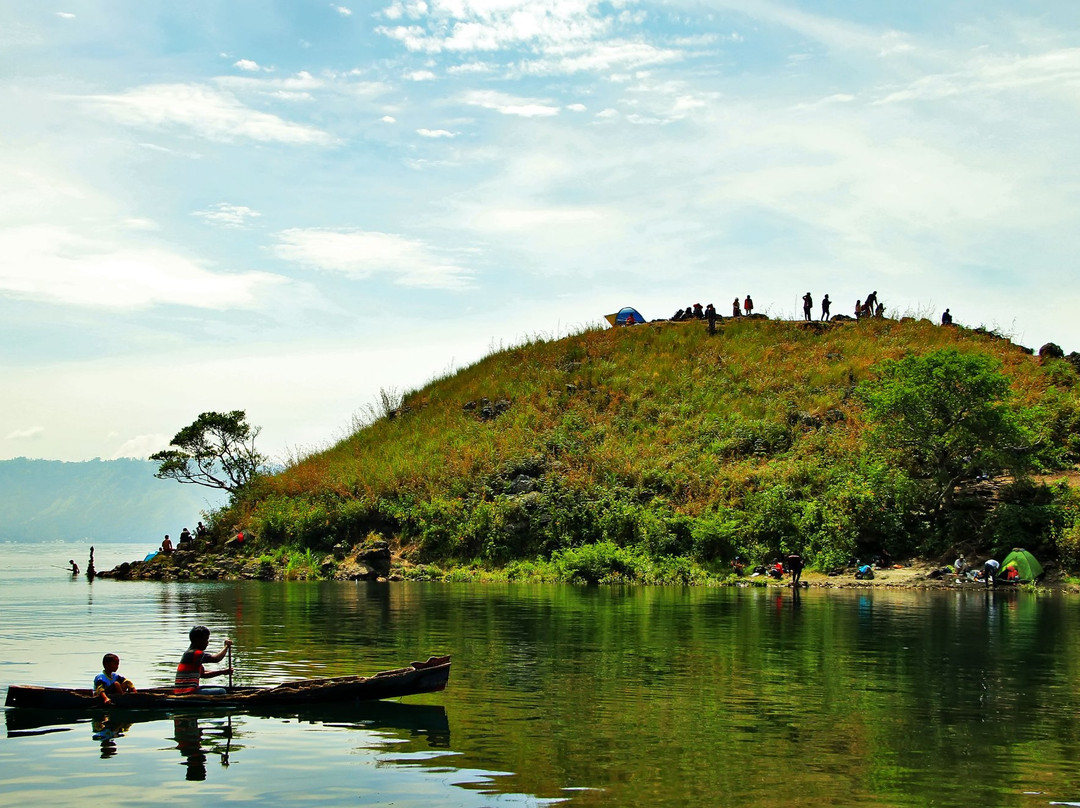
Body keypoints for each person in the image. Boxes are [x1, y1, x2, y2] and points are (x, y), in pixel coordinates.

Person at [175, 626, 234, 695]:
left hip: (183, 691)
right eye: (205, 639)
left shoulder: (188, 653)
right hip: (188, 692)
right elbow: (216, 658)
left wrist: (223, 672)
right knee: (222, 691)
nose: (207, 642)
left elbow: (203, 674)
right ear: (198, 640)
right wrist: (226, 647)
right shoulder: (196, 653)